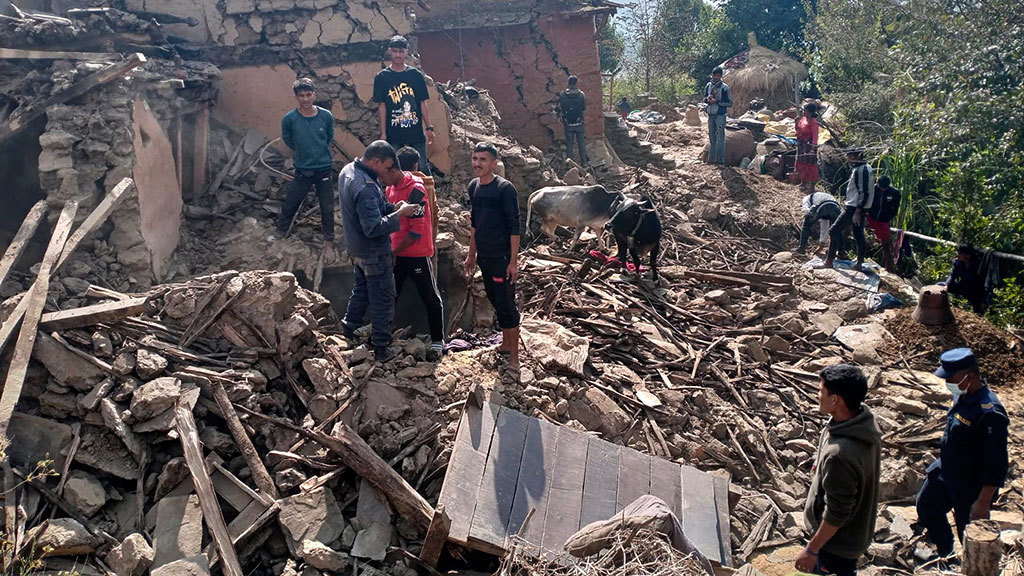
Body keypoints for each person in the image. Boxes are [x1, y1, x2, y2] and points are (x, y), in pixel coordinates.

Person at [916, 348, 1009, 560]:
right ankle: (945, 554)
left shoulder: (989, 412)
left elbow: (997, 463)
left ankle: (972, 567)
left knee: (969, 535)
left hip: (970, 485)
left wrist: (983, 501)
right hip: (947, 470)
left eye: (951, 378)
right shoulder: (962, 394)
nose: (947, 382)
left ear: (968, 376)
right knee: (927, 506)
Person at [796, 364, 882, 576]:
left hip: (836, 546)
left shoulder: (840, 455)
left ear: (835, 400)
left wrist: (812, 549)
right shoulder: (861, 421)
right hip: (854, 535)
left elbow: (837, 512)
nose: (817, 396)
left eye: (821, 391)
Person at [338, 141, 418, 362]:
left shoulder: (348, 171)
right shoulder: (365, 186)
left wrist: (392, 207)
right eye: (387, 167)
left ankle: (347, 330)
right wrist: (400, 214)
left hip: (356, 249)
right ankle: (382, 349)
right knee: (383, 298)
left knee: (361, 289)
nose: (387, 172)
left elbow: (368, 210)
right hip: (373, 252)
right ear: (376, 161)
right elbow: (373, 228)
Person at [464, 142, 521, 374]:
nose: (477, 163)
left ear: (494, 163)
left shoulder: (505, 189)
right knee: (494, 298)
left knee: (507, 305)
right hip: (485, 256)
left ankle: (515, 359)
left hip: (501, 257)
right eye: (475, 158)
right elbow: (475, 223)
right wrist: (471, 254)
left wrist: (513, 262)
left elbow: (514, 226)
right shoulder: (474, 187)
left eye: (483, 159)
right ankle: (506, 344)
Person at [388, 146, 445, 354]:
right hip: (397, 252)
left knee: (430, 296)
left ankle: (437, 340)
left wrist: (394, 252)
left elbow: (416, 231)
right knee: (389, 296)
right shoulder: (390, 188)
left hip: (416, 253)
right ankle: (381, 336)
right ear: (415, 164)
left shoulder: (417, 189)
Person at [277, 78, 336, 260]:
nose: (305, 99)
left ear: (314, 95)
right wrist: (303, 151)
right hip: (303, 169)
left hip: (323, 168)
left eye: (308, 95)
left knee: (327, 207)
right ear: (296, 97)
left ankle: (329, 244)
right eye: (301, 95)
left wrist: (318, 153)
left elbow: (328, 137)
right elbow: (288, 139)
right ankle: (279, 236)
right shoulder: (289, 119)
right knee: (291, 204)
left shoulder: (326, 116)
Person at [373, 35, 434, 175]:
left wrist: (429, 127)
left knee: (422, 166)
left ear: (406, 52)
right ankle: (399, 190)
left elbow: (422, 102)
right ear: (390, 51)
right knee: (395, 168)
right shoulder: (382, 77)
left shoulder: (415, 75)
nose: (398, 55)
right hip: (393, 131)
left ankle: (428, 189)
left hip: (415, 130)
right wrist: (383, 133)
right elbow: (382, 106)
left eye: (401, 51)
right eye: (395, 51)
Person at [824, 148, 874, 271]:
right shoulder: (865, 168)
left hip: (854, 207)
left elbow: (864, 192)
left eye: (850, 155)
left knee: (834, 230)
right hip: (861, 207)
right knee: (858, 233)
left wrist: (857, 211)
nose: (848, 158)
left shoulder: (861, 170)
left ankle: (829, 261)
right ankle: (859, 263)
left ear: (857, 156)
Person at [866, 175, 901, 271]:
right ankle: (857, 259)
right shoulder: (872, 189)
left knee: (886, 245)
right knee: (858, 234)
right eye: (881, 187)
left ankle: (887, 269)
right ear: (877, 183)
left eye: (885, 188)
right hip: (870, 217)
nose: (882, 190)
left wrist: (888, 217)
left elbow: (895, 208)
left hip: (884, 221)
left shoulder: (895, 193)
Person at [944, 244, 989, 313]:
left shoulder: (978, 265)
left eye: (960, 253)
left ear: (968, 255)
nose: (957, 255)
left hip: (977, 290)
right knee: (941, 286)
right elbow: (952, 275)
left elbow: (986, 283)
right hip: (964, 286)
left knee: (978, 310)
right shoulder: (958, 262)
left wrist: (985, 300)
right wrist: (946, 285)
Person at [703, 66, 732, 165]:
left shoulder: (724, 88)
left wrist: (717, 101)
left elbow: (729, 103)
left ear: (721, 76)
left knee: (720, 139)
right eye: (715, 75)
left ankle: (720, 161)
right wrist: (708, 99)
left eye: (718, 76)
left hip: (720, 115)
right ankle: (711, 160)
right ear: (712, 75)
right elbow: (704, 99)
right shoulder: (708, 86)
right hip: (711, 115)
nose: (716, 77)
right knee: (712, 138)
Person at [558, 75, 589, 164]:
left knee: (569, 145)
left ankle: (570, 164)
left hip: (568, 124)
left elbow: (561, 108)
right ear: (576, 83)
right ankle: (584, 163)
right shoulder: (581, 95)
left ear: (568, 83)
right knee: (581, 144)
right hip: (579, 123)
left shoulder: (563, 95)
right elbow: (584, 109)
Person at [795, 102, 821, 193]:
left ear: (810, 112)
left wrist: (812, 149)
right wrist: (796, 123)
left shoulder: (814, 123)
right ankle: (803, 182)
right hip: (802, 146)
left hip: (809, 147)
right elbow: (798, 130)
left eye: (805, 111)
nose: (803, 112)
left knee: (810, 165)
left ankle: (812, 186)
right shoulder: (803, 120)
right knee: (802, 163)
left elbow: (815, 137)